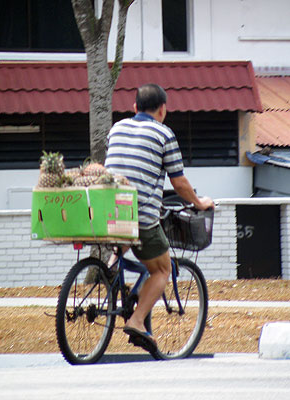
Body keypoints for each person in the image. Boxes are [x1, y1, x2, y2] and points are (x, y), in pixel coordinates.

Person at [105, 83, 214, 352]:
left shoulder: (116, 128)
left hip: (106, 210)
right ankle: (137, 320)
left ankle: (111, 263)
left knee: (126, 237)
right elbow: (178, 183)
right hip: (140, 214)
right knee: (163, 269)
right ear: (163, 109)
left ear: (134, 108)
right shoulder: (164, 134)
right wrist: (199, 203)